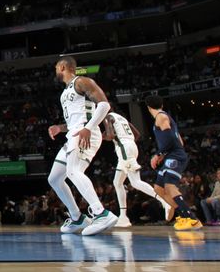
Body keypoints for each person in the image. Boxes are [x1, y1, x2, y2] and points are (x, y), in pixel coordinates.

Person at [47, 57, 118, 236]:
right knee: (54, 178)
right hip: (74, 133)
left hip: (85, 133)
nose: (56, 70)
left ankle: (102, 213)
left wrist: (88, 128)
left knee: (73, 171)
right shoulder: (66, 91)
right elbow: (77, 118)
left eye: (57, 67)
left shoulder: (82, 81)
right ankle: (77, 217)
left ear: (63, 67)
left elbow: (104, 105)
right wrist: (60, 128)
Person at [103, 111, 170, 227]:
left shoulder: (108, 117)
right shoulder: (122, 118)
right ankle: (123, 217)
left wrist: (103, 136)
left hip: (124, 148)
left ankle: (164, 200)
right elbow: (137, 134)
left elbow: (110, 136)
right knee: (117, 182)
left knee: (135, 182)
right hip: (131, 147)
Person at [145, 94, 202, 230]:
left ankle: (192, 219)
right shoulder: (164, 117)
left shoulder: (161, 117)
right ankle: (183, 215)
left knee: (170, 186)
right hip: (172, 155)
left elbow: (171, 138)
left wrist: (158, 154)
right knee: (158, 189)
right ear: (161, 104)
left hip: (174, 156)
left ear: (148, 107)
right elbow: (180, 141)